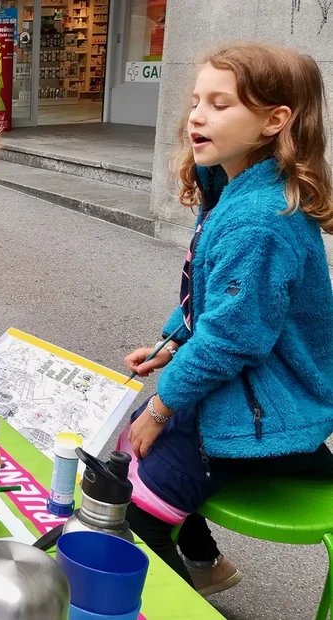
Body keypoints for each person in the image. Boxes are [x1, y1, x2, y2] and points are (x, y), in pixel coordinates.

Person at [120, 43, 333, 597]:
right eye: (196, 101)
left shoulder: (258, 222)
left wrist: (164, 406)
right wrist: (170, 344)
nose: (196, 115)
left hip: (261, 409)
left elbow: (231, 338)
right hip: (245, 388)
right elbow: (209, 301)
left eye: (220, 104)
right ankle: (207, 563)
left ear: (273, 121)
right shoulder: (232, 192)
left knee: (135, 511)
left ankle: (179, 604)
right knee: (126, 448)